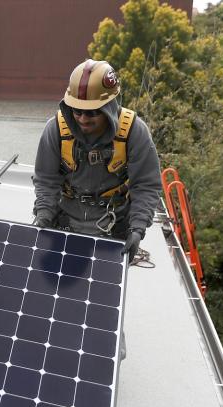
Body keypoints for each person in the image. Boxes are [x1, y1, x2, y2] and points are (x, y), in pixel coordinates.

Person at [32, 59, 161, 262]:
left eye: (92, 112)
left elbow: (145, 185)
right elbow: (46, 180)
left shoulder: (134, 131)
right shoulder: (56, 129)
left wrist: (137, 229)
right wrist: (43, 216)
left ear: (109, 107)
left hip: (114, 225)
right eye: (77, 111)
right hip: (64, 222)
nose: (83, 119)